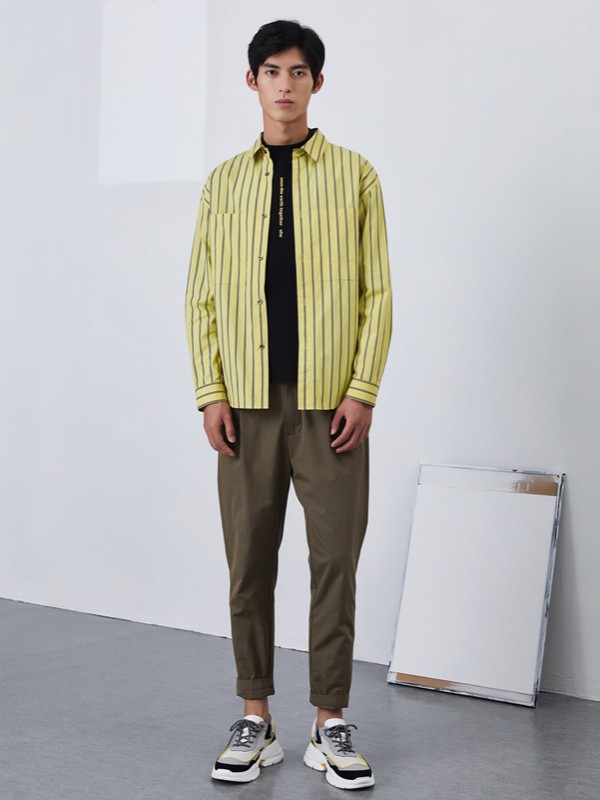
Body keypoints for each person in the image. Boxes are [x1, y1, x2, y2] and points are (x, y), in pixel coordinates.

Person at [184, 19, 392, 791]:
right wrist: (210, 392)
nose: (284, 84)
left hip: (329, 403)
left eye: (298, 72)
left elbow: (377, 292)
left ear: (317, 83)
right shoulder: (223, 183)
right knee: (249, 563)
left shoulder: (355, 175)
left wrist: (362, 389)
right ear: (252, 81)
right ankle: (256, 718)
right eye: (271, 71)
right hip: (244, 403)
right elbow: (201, 297)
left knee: (335, 560)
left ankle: (330, 722)